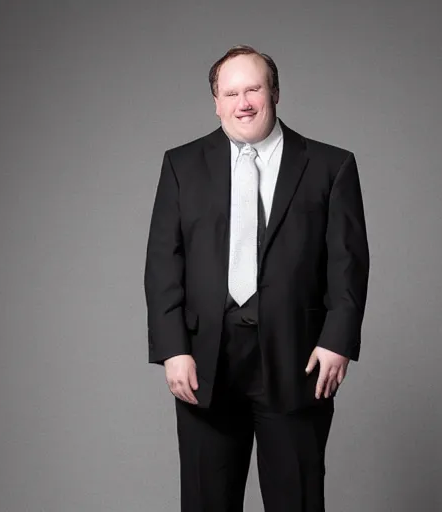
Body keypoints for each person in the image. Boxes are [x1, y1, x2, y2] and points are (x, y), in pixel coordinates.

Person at [144, 44, 370, 512]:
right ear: (216, 102)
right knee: (207, 502)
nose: (242, 102)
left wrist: (338, 340)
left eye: (253, 89)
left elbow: (348, 262)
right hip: (205, 364)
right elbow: (164, 263)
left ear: (275, 93)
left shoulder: (331, 166)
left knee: (298, 501)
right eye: (230, 93)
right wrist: (172, 349)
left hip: (299, 358)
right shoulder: (181, 165)